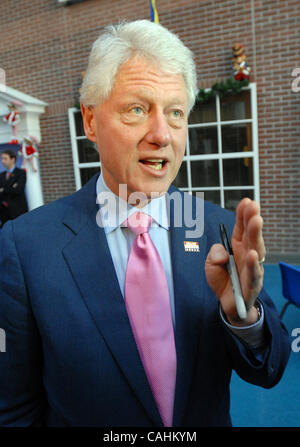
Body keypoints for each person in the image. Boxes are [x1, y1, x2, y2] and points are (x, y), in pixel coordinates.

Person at [0, 20, 290, 427]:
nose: (161, 134)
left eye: (175, 113)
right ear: (89, 121)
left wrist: (243, 315)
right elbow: (13, 408)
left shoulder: (218, 231)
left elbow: (270, 368)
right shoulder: (26, 247)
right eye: (137, 109)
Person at [0, 149, 28, 228]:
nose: (2, 161)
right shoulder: (1, 175)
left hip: (18, 212)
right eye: (2, 159)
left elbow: (18, 190)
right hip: (4, 214)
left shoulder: (21, 173)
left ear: (13, 159)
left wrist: (3, 189)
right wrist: (11, 187)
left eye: (5, 158)